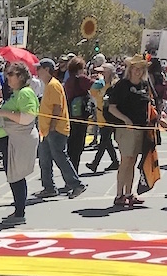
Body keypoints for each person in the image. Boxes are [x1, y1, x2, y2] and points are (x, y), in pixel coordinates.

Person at [104, 57, 154, 209]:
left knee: (132, 161)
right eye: (135, 68)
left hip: (140, 128)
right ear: (130, 70)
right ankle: (119, 195)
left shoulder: (144, 85)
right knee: (125, 160)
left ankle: (129, 193)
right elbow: (112, 108)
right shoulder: (122, 85)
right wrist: (125, 120)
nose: (138, 71)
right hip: (125, 129)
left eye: (141, 69)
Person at [35, 58, 86, 200]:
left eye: (39, 68)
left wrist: (52, 125)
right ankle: (49, 187)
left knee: (60, 158)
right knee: (44, 159)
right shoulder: (48, 85)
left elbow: (57, 107)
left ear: (47, 70)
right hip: (46, 130)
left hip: (56, 129)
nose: (37, 71)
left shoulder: (53, 85)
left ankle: (76, 184)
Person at [0, 61, 39, 223]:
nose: (7, 77)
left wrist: (4, 113)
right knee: (15, 176)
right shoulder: (17, 93)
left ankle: (20, 213)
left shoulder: (25, 93)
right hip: (12, 141)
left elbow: (27, 117)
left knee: (17, 176)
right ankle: (18, 210)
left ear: (20, 76)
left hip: (18, 141)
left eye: (11, 74)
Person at [63, 55, 94, 171]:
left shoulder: (68, 81)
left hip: (71, 115)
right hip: (81, 117)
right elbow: (96, 85)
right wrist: (99, 78)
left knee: (71, 145)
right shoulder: (81, 79)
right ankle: (74, 173)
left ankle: (70, 172)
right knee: (79, 146)